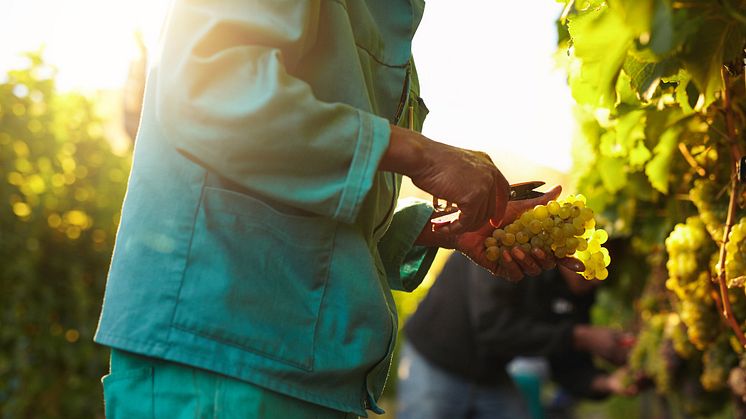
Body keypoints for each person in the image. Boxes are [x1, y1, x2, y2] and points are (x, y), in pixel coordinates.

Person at [94, 1, 582, 418]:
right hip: (220, 357)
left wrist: (439, 230)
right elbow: (210, 92)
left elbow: (310, 187)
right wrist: (421, 152)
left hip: (284, 360)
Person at [397, 251, 637, 419]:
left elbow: (565, 359)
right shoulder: (515, 250)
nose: (596, 281)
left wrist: (610, 383)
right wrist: (580, 336)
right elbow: (492, 328)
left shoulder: (579, 286)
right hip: (436, 361)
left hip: (491, 374)